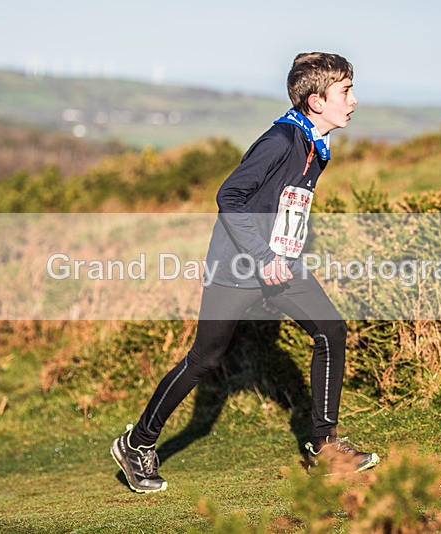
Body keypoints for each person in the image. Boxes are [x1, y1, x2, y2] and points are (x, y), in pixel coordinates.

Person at [111, 52, 379, 493]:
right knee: (205, 359)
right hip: (238, 266)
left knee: (331, 330)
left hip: (281, 266)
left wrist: (286, 255)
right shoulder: (280, 140)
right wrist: (262, 256)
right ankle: (136, 444)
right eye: (345, 91)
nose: (353, 100)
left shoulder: (316, 143)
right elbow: (229, 196)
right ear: (316, 101)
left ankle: (325, 448)